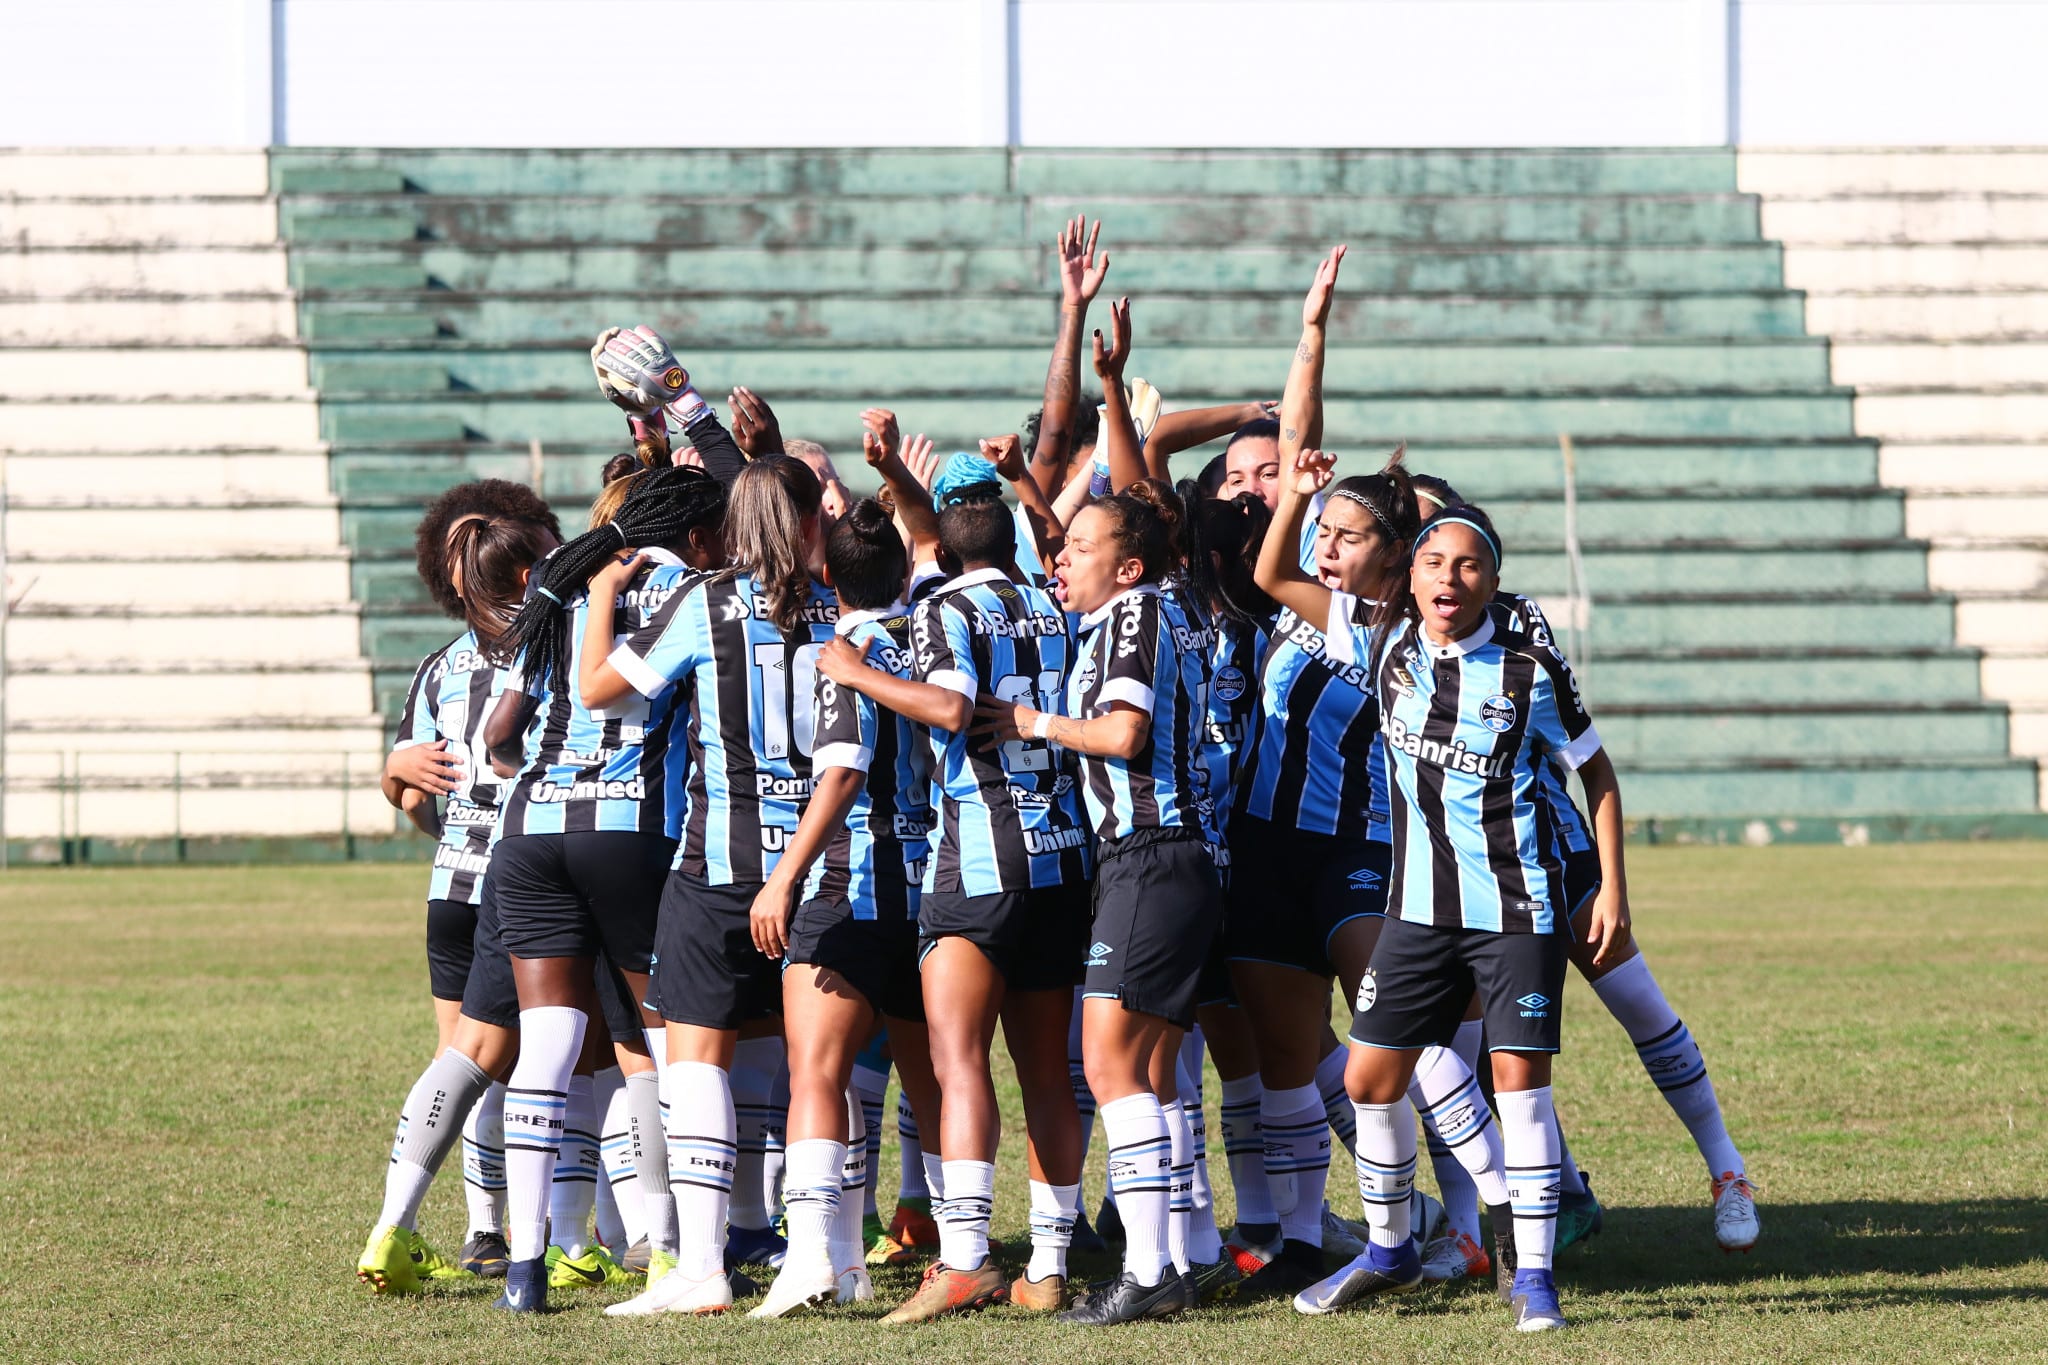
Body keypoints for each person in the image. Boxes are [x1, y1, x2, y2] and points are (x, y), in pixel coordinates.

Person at [1318, 502, 1630, 1334]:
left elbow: (1598, 775)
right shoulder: (1385, 645)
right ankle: (1389, 1250)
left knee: (1521, 1091)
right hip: (1416, 913)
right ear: (1409, 576)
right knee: (1367, 1080)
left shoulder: (1530, 670)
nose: (1449, 579)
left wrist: (1612, 889)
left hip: (1515, 910)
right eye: (1434, 563)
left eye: (1467, 565)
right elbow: (1290, 572)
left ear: (1492, 579)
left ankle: (1534, 1277)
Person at [581, 456, 840, 1317]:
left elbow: (599, 693)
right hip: (822, 865)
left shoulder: (705, 602)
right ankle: (829, 1251)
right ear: (810, 522)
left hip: (718, 870)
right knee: (819, 1066)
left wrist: (595, 603)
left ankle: (702, 1266)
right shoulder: (838, 604)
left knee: (695, 1065)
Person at [822, 490, 1089, 1321]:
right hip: (1063, 856)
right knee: (1048, 1072)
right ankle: (1045, 1264)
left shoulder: (946, 608)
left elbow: (949, 705)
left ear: (938, 551)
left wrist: (855, 671)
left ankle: (966, 1257)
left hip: (979, 856)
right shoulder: (1053, 605)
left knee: (958, 1059)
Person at [474, 463, 735, 1312]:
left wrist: (549, 777)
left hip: (529, 833)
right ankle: (672, 1249)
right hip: (629, 833)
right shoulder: (689, 590)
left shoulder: (561, 580)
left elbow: (499, 731)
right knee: (663, 1044)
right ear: (694, 531)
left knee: (546, 1044)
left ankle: (525, 1263)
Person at [976, 479, 1226, 1325]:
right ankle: (1183, 1258)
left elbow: (1122, 732)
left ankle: (1150, 1268)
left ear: (1127, 567)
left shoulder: (1131, 617)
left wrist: (1028, 720)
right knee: (1147, 1072)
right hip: (1174, 857)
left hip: (1151, 857)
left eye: (1079, 547)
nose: (1060, 557)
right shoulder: (1165, 608)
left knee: (1111, 1062)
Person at [356, 505, 560, 1294]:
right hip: (529, 880)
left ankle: (482, 1227)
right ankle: (581, 1233)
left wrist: (398, 776)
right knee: (555, 1059)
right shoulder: (549, 644)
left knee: (467, 1057)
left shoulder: (437, 667)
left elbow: (405, 790)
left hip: (453, 881)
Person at [744, 494, 939, 1317]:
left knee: (819, 1074)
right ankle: (951, 1251)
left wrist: (783, 875)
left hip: (850, 882)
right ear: (904, 571)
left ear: (828, 577)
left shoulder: (845, 647)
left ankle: (811, 1261)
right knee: (934, 1082)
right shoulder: (932, 638)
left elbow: (845, 772)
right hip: (933, 885)